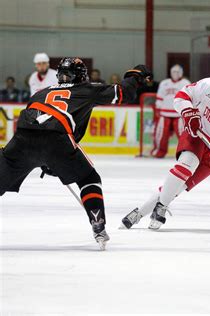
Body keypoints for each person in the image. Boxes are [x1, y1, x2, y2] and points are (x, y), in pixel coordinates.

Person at [0, 58, 152, 249]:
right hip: (57, 139)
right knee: (89, 179)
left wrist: (44, 159)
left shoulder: (41, 93)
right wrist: (135, 75)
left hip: (21, 139)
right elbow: (123, 93)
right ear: (82, 75)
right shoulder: (86, 89)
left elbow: (34, 122)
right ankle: (98, 224)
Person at [121, 65, 210, 230]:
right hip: (197, 133)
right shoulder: (209, 85)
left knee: (178, 186)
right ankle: (161, 208)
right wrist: (189, 112)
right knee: (185, 166)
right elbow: (182, 96)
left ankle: (138, 214)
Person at [151, 64, 190, 158]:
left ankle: (185, 152)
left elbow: (189, 97)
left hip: (179, 114)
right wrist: (158, 109)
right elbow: (159, 98)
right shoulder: (164, 83)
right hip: (164, 113)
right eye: (173, 72)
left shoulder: (185, 83)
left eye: (177, 72)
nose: (175, 74)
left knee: (183, 134)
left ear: (181, 73)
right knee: (161, 134)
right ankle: (159, 151)